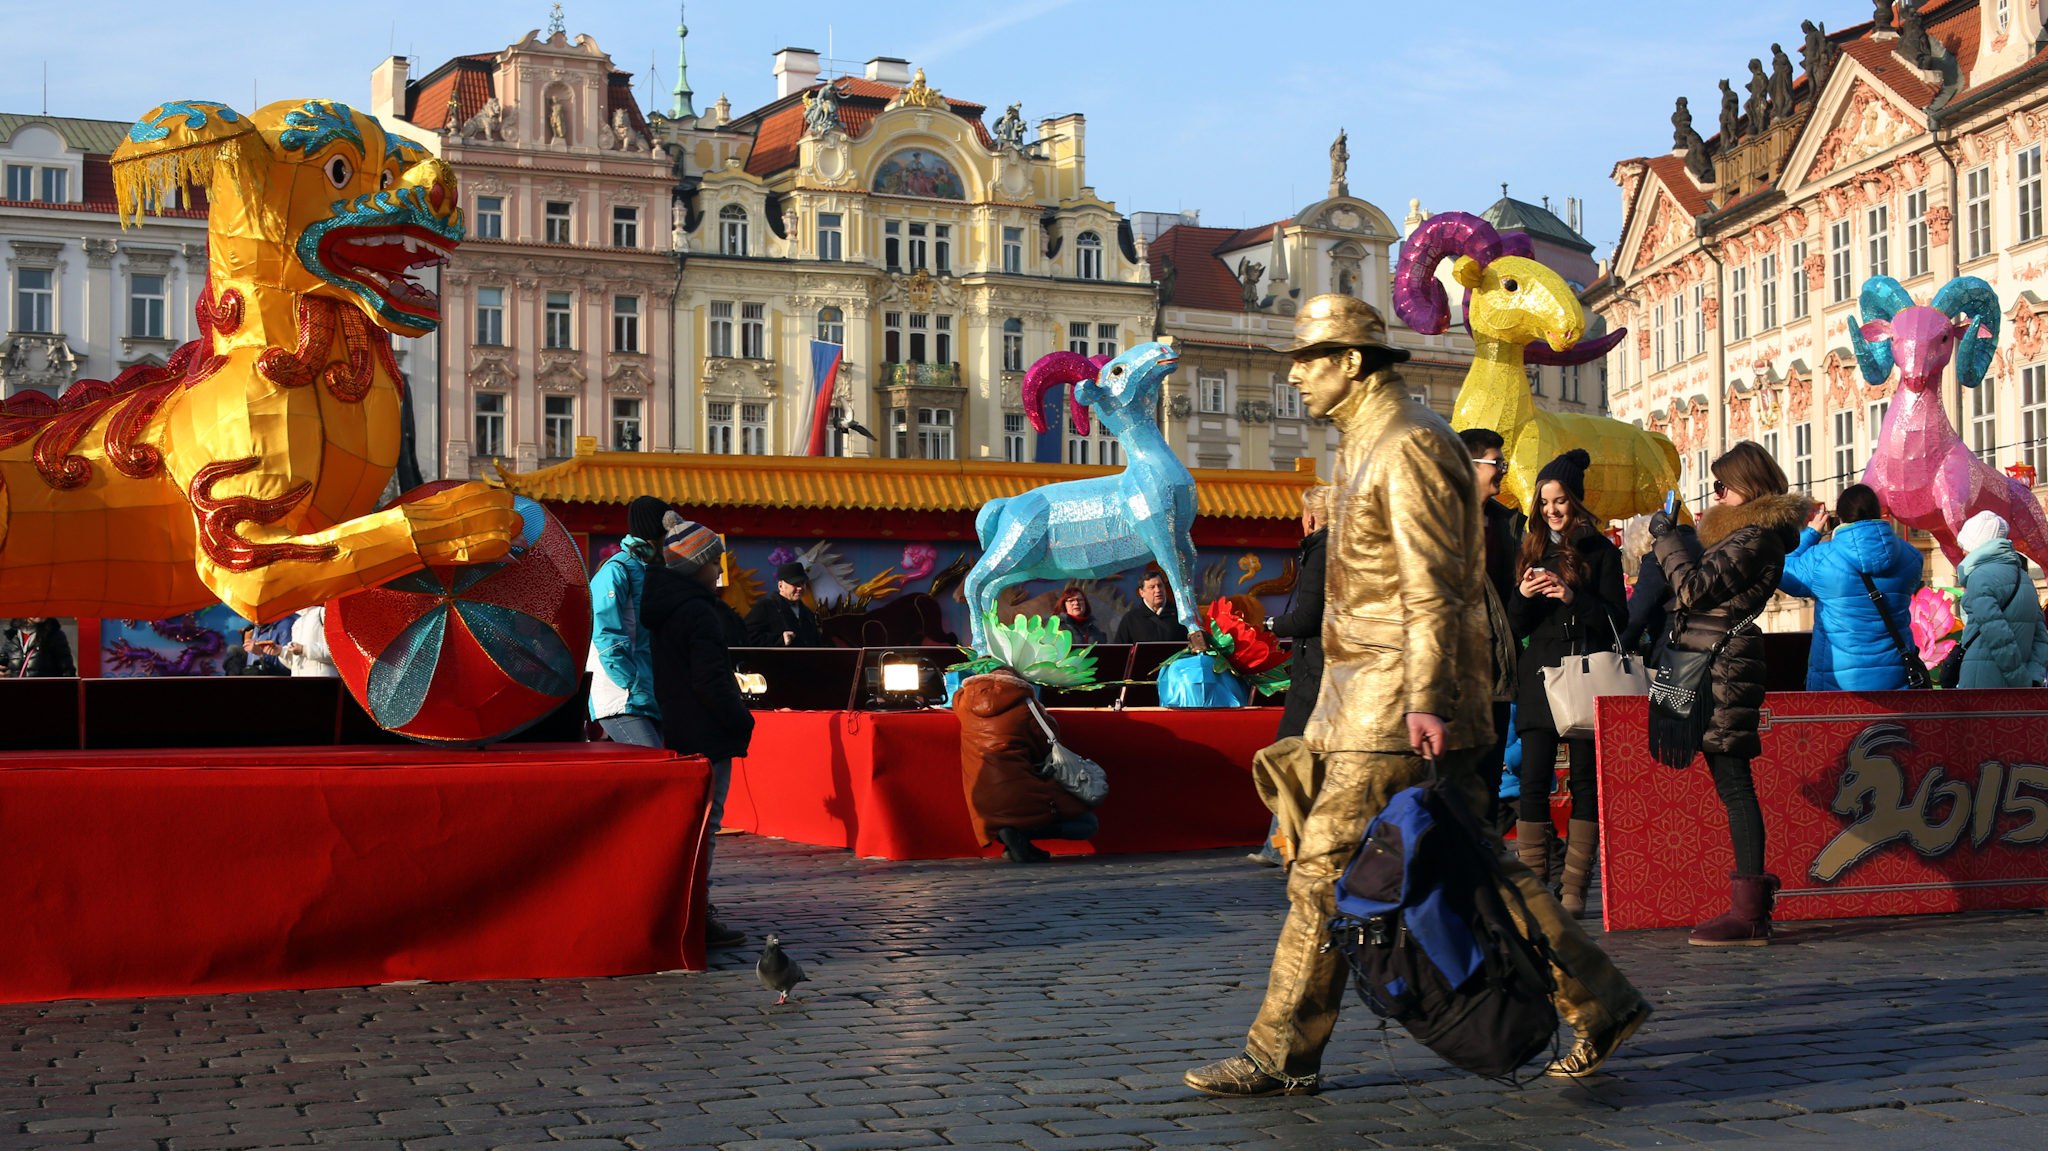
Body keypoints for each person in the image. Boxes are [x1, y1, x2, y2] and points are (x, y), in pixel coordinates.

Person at [1183, 295, 1647, 1098]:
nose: (1296, 376)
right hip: (1375, 695)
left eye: (1309, 359)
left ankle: (1282, 1051)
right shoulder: (1373, 437)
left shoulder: (1405, 442)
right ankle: (1602, 1000)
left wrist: (1425, 695)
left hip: (1397, 698)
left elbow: (1432, 582)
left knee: (1325, 868)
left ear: (1351, 362)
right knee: (1475, 861)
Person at [1647, 441, 1812, 946]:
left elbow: (1693, 591)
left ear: (1747, 484)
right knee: (1730, 781)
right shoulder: (1742, 536)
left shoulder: (1757, 538)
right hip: (1706, 662)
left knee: (1735, 781)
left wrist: (1668, 539)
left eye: (1723, 485)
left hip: (1722, 666)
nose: (1716, 494)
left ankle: (1750, 913)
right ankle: (1749, 911)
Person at [1508, 449, 1626, 917]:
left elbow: (1618, 621)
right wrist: (1523, 594)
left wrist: (1573, 596)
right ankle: (1535, 887)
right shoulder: (1530, 550)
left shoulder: (1602, 551)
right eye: (1544, 502)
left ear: (1575, 500)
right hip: (1540, 675)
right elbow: (1516, 624)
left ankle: (1574, 887)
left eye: (1559, 501)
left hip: (1585, 674)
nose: (1551, 510)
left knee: (1584, 782)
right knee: (1533, 780)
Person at [644, 516, 754, 949]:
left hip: (677, 726)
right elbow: (711, 681)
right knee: (707, 824)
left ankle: (684, 909)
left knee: (692, 824)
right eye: (713, 562)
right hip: (707, 732)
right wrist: (741, 720)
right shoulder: (698, 611)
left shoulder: (664, 606)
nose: (719, 570)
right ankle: (696, 915)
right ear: (696, 566)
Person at [1776, 484, 1924, 691]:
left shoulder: (1821, 559)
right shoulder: (1911, 557)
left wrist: (1811, 533)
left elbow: (1781, 569)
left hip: (1838, 682)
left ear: (1841, 518)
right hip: (1897, 676)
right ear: (1878, 513)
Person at [1251, 485, 1330, 867]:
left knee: (1288, 753)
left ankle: (1280, 844)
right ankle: (1279, 842)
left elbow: (1308, 617)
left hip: (1314, 670)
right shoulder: (1345, 548)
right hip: (1328, 666)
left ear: (1310, 519)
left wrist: (1269, 624)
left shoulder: (1321, 552)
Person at [954, 666, 1099, 863]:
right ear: (1017, 683)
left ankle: (1016, 842)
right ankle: (1019, 835)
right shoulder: (1026, 706)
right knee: (1088, 823)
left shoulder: (963, 704)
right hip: (1022, 790)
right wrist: (1046, 716)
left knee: (1010, 821)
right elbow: (1049, 746)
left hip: (982, 798)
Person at [1461, 426, 1522, 834]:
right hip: (1460, 674)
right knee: (1458, 784)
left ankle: (1482, 856)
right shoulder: (1442, 524)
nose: (1503, 470)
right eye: (1496, 462)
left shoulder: (1508, 522)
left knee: (1488, 784)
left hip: (1500, 670)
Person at [588, 496, 669, 746]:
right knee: (654, 761)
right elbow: (605, 633)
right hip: (621, 695)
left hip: (646, 692)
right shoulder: (616, 570)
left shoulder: (653, 570)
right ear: (656, 533)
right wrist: (631, 683)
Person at [1949, 511, 2048, 688]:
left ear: (1977, 545)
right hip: (2021, 683)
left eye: (1965, 545)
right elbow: (2041, 637)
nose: (1963, 551)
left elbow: (1997, 635)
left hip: (1982, 680)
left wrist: (2019, 679)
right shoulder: (2024, 577)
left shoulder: (1979, 577)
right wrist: (2033, 677)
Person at [745, 561, 821, 647]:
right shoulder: (765, 607)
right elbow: (746, 636)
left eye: (802, 583)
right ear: (780, 586)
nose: (800, 588)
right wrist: (779, 640)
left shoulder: (807, 613)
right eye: (794, 584)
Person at [1112, 571, 1184, 643]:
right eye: (1152, 587)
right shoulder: (1131, 619)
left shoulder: (1181, 613)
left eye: (1160, 585)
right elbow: (1120, 648)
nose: (1158, 590)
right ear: (1141, 592)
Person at [4, 617, 75, 678]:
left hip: (44, 688)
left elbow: (67, 670)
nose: (41, 613)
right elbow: (3, 660)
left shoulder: (54, 635)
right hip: (17, 688)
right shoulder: (13, 635)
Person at [281, 605, 338, 677]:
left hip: (323, 681)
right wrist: (281, 652)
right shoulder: (297, 622)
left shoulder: (323, 613)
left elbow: (338, 652)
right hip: (301, 682)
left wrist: (304, 650)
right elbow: (298, 665)